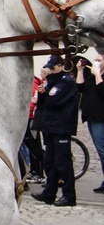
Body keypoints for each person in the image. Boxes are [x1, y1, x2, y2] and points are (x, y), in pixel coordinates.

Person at [31, 55, 79, 207]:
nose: (50, 71)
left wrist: (46, 89)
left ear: (60, 66)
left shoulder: (66, 82)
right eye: (49, 68)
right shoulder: (54, 82)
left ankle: (69, 196)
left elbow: (54, 101)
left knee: (63, 163)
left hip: (61, 127)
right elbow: (44, 102)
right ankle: (49, 193)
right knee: (50, 162)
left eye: (53, 68)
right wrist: (44, 91)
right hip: (50, 127)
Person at [76, 54, 104, 194]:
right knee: (101, 151)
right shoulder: (92, 77)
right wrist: (80, 71)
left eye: (99, 60)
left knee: (102, 150)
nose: (96, 63)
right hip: (91, 117)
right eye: (96, 60)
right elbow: (80, 88)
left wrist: (98, 74)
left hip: (101, 118)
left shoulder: (98, 76)